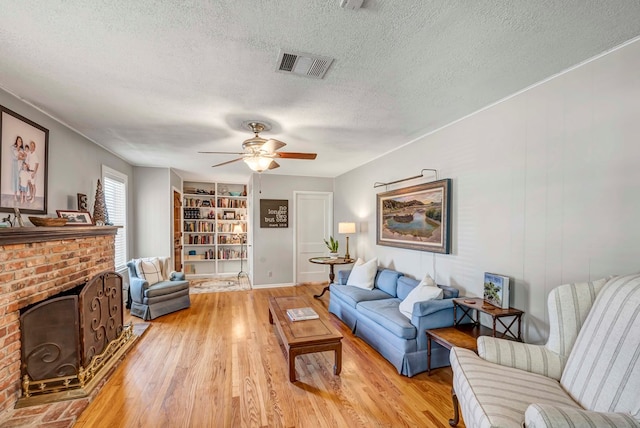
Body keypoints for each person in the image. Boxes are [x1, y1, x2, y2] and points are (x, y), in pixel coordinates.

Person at [11, 136, 27, 201]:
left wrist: (22, 158)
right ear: (16, 141)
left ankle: (21, 196)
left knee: (21, 182)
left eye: (21, 141)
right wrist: (21, 157)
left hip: (21, 168)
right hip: (15, 167)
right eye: (18, 140)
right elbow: (13, 158)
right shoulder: (13, 148)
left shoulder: (22, 150)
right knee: (15, 181)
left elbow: (24, 159)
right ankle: (15, 195)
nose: (19, 142)